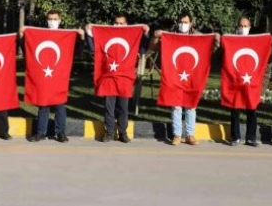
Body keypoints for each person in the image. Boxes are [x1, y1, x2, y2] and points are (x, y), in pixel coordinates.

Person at [152, 11, 220, 146]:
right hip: (175, 76)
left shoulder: (198, 37)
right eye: (181, 22)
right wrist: (155, 37)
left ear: (191, 23)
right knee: (176, 106)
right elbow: (155, 47)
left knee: (191, 106)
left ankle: (190, 135)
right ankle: (177, 135)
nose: (183, 25)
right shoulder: (171, 36)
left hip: (192, 76)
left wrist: (216, 40)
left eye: (185, 22)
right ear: (177, 23)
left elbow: (210, 49)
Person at [85, 13, 150, 144]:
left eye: (121, 23)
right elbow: (94, 48)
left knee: (123, 108)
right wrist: (88, 32)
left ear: (127, 25)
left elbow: (142, 49)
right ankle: (109, 133)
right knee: (109, 108)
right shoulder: (107, 36)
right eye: (116, 23)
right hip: (109, 77)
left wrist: (146, 33)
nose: (118, 25)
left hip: (124, 78)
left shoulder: (131, 38)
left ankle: (122, 133)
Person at [26, 9, 85, 143]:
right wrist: (23, 34)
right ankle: (41, 133)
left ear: (60, 20)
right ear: (46, 21)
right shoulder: (40, 35)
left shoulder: (65, 36)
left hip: (59, 77)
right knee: (43, 105)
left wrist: (81, 38)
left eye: (55, 19)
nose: (52, 22)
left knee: (60, 106)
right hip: (44, 77)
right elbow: (29, 49)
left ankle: (60, 133)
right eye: (50, 19)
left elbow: (77, 52)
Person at [228, 16, 262, 147]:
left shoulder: (255, 42)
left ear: (250, 27)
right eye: (241, 26)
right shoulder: (232, 41)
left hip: (251, 80)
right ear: (237, 27)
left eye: (245, 26)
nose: (243, 29)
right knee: (235, 110)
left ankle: (251, 137)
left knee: (252, 109)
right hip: (236, 80)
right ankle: (235, 137)